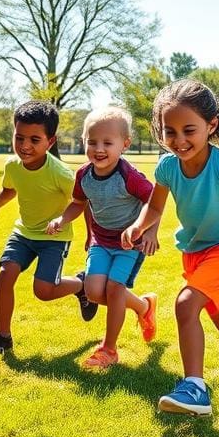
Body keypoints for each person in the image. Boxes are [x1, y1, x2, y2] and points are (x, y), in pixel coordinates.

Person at [122, 79, 219, 416]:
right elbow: (156, 207)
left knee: (185, 304)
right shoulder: (166, 167)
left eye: (188, 130)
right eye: (170, 132)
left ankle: (195, 388)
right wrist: (139, 225)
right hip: (195, 252)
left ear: (211, 126)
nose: (179, 140)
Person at [0, 100, 98, 357]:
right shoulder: (12, 166)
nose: (25, 146)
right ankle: (2, 338)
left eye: (34, 140)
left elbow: (82, 202)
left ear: (50, 141)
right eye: (19, 137)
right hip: (23, 233)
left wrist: (90, 235)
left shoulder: (61, 173)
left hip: (54, 237)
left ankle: (81, 286)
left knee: (44, 291)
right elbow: (9, 188)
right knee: (5, 275)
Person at [46, 107, 160, 369]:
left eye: (108, 143)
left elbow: (153, 201)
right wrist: (62, 219)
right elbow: (79, 203)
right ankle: (144, 307)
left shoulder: (128, 175)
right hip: (101, 241)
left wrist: (150, 232)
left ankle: (109, 349)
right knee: (94, 292)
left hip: (129, 243)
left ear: (125, 145)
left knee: (115, 288)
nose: (99, 148)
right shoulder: (83, 175)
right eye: (92, 142)